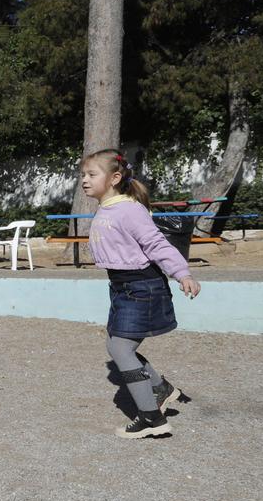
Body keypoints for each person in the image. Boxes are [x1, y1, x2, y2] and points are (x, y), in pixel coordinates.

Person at [82, 149, 200, 439]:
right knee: (116, 344)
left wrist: (181, 273)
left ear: (115, 178)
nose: (84, 180)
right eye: (83, 175)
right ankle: (161, 388)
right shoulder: (109, 207)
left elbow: (156, 244)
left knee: (120, 349)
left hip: (142, 287)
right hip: (123, 286)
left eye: (91, 174)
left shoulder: (129, 209)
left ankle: (152, 419)